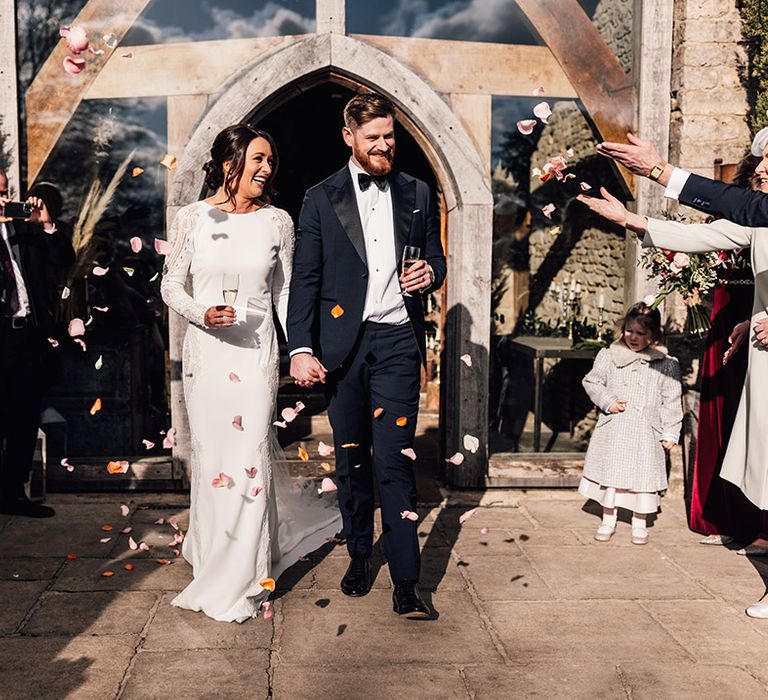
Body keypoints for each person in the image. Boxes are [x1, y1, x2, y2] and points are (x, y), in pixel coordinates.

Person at [160, 124, 340, 623]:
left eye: (269, 161)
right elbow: (170, 285)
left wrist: (300, 349)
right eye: (257, 160)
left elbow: (286, 294)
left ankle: (244, 578)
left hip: (257, 355)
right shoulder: (191, 218)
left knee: (249, 458)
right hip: (209, 356)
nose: (266, 170)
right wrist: (201, 313)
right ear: (228, 163)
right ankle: (213, 553)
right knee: (215, 457)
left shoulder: (278, 222)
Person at [576, 151, 768, 617]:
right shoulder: (760, 218)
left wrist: (659, 170)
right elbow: (704, 234)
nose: (760, 170)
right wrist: (634, 222)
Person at [287, 92, 446, 618]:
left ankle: (407, 581)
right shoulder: (318, 197)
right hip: (343, 349)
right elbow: (305, 280)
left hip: (398, 340)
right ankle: (358, 555)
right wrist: (301, 348)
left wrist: (431, 275)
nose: (384, 145)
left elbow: (437, 259)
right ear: (348, 136)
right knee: (353, 460)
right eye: (373, 136)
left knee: (396, 461)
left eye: (390, 136)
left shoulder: (418, 191)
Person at [0, 168, 74, 517]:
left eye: (5, 191)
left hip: (26, 334)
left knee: (24, 417)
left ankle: (13, 494)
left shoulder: (23, 228)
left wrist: (45, 224)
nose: (3, 199)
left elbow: (64, 262)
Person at [579, 302, 683, 545]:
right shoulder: (609, 356)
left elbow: (672, 400)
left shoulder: (666, 364)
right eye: (629, 331)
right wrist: (608, 401)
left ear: (653, 335)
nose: (633, 337)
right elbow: (591, 382)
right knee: (612, 476)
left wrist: (670, 431)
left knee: (643, 478)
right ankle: (608, 519)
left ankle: (639, 522)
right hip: (615, 429)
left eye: (640, 333)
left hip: (647, 432)